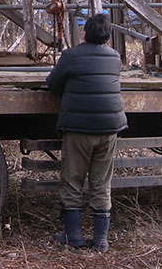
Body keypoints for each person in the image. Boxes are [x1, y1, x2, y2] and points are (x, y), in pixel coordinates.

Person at [46, 13, 127, 252]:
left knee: (72, 181)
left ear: (84, 33)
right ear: (107, 36)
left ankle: (74, 236)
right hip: (110, 127)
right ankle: (101, 239)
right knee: (101, 183)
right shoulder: (115, 58)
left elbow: (53, 85)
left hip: (79, 128)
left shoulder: (71, 56)